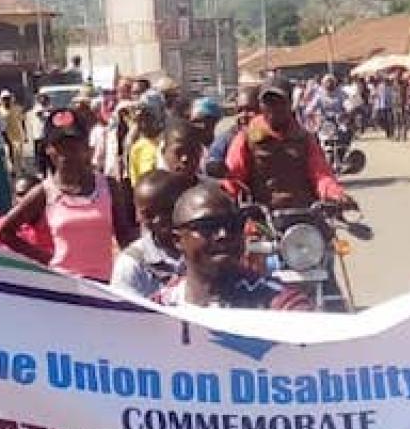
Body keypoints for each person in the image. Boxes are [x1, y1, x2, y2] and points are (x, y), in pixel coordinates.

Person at [0, 108, 123, 281]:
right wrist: (47, 259)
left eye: (75, 144)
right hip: (64, 286)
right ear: (49, 149)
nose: (68, 153)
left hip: (106, 286)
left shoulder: (108, 187)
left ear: (86, 146)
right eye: (60, 145)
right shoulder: (44, 192)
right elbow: (4, 233)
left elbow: (125, 236)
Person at [153, 185, 311, 310]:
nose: (223, 234)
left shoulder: (283, 306)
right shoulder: (157, 310)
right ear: (177, 240)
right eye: (208, 226)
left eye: (233, 224)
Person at [221, 78, 354, 213]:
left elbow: (321, 174)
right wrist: (224, 202)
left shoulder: (305, 138)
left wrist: (336, 194)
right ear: (260, 106)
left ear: (290, 104)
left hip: (305, 216)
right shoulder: (246, 138)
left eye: (280, 102)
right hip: (261, 220)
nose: (274, 108)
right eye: (268, 102)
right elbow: (233, 177)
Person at [110, 168, 189, 297]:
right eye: (149, 214)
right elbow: (122, 313)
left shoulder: (201, 253)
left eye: (166, 209)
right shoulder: (131, 264)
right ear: (138, 215)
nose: (158, 220)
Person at [126, 107, 163, 185]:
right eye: (140, 122)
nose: (143, 125)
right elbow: (134, 178)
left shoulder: (165, 143)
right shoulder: (137, 147)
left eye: (147, 120)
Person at [0, 90, 28, 175]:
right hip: (5, 134)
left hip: (17, 133)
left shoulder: (17, 108)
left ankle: (21, 168)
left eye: (8, 98)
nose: (6, 100)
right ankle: (12, 169)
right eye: (4, 99)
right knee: (8, 152)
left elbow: (22, 121)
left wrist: (25, 134)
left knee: (18, 152)